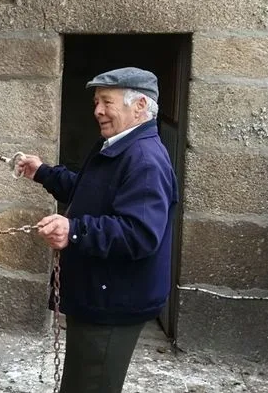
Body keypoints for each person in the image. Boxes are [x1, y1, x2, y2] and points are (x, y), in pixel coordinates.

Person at [15, 67, 179, 393]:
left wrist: (74, 230)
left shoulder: (145, 160)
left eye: (107, 101)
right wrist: (43, 173)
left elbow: (140, 233)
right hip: (99, 296)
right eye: (96, 102)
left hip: (112, 303)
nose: (98, 111)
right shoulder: (119, 146)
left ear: (140, 106)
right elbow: (91, 191)